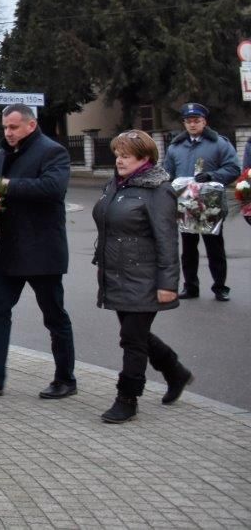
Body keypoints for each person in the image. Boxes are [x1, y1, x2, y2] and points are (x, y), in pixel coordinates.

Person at [0, 104, 76, 399]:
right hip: (9, 249)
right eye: (5, 127)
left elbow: (52, 188)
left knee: (54, 316)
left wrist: (7, 185)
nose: (8, 133)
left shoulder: (52, 151)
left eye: (13, 127)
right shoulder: (3, 155)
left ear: (30, 125)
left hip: (42, 251)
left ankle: (65, 379)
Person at [92, 130, 193, 423]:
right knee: (136, 334)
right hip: (116, 273)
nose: (119, 160)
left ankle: (127, 398)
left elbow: (167, 240)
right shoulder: (116, 184)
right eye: (117, 154)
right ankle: (175, 372)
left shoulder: (158, 190)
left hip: (144, 277)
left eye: (125, 156)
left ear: (145, 158)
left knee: (132, 339)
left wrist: (167, 284)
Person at [161, 102, 239, 301]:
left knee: (215, 249)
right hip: (185, 207)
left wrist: (212, 175)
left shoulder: (219, 143)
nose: (192, 124)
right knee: (188, 250)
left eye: (197, 120)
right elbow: (166, 173)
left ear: (204, 121)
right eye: (188, 121)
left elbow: (233, 169)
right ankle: (190, 287)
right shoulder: (175, 147)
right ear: (184, 123)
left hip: (210, 207)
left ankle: (220, 287)